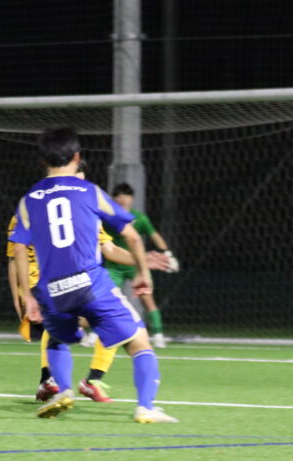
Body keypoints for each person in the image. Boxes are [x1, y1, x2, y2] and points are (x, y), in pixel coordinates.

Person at [9, 127, 177, 423]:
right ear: (76, 157)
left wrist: (28, 296)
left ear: (43, 160)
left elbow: (19, 250)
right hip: (91, 284)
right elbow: (132, 236)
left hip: (52, 291)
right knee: (139, 341)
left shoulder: (29, 200)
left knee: (56, 339)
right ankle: (145, 407)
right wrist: (143, 273)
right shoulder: (89, 192)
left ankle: (63, 390)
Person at [104, 183, 179, 348]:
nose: (122, 199)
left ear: (132, 198)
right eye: (118, 196)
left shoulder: (139, 218)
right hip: (114, 266)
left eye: (126, 195)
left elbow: (155, 236)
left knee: (148, 299)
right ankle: (96, 334)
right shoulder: (108, 217)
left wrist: (167, 254)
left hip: (136, 267)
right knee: (104, 300)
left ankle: (158, 335)